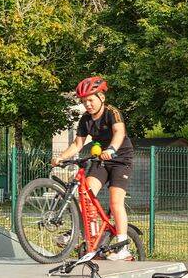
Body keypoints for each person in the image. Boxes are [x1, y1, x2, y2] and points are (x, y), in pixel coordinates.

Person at [52, 76, 134, 259]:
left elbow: (119, 132)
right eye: (84, 101)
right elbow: (77, 144)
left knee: (115, 201)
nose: (87, 104)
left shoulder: (112, 112)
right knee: (86, 195)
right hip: (102, 160)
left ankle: (123, 246)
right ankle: (92, 234)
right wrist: (61, 157)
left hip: (121, 159)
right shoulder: (85, 119)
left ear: (101, 98)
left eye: (91, 99)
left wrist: (112, 149)